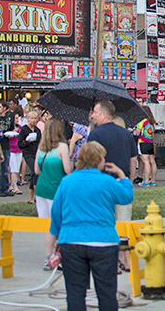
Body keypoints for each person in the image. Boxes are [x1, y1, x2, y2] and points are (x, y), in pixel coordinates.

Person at [50, 141, 134, 311]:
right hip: (103, 241)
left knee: (75, 293)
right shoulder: (107, 181)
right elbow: (126, 197)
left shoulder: (67, 181)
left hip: (72, 241)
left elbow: (56, 212)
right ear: (99, 160)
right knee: (107, 292)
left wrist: (57, 236)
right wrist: (122, 176)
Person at [88, 100, 137, 272]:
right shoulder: (126, 134)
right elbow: (133, 160)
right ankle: (126, 259)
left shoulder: (95, 135)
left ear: (104, 114)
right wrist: (128, 181)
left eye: (94, 112)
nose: (92, 115)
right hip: (121, 182)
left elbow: (90, 162)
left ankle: (114, 261)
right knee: (124, 223)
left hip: (102, 185)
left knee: (107, 223)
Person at [35, 118, 73, 270]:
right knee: (58, 225)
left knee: (47, 226)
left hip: (41, 190)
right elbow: (67, 170)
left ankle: (48, 256)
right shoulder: (62, 147)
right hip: (56, 190)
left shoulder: (41, 148)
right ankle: (58, 256)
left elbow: (37, 170)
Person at [18, 110, 42, 204]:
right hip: (28, 153)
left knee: (35, 174)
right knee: (34, 171)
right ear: (28, 119)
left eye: (35, 118)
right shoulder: (24, 129)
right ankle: (37, 195)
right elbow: (19, 144)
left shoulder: (37, 130)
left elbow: (40, 142)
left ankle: (30, 197)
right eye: (31, 118)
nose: (33, 120)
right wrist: (28, 141)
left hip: (36, 153)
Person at [135, 106, 157, 187]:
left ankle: (146, 181)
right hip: (151, 143)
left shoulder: (142, 122)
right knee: (152, 162)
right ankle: (153, 180)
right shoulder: (152, 122)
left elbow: (137, 133)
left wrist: (137, 128)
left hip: (143, 143)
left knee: (146, 162)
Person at [7, 113, 23, 195]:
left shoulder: (20, 127)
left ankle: (12, 186)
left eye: (18, 118)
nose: (17, 119)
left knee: (17, 168)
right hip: (11, 149)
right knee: (13, 168)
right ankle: (15, 186)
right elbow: (7, 135)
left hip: (19, 149)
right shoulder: (9, 127)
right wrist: (12, 132)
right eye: (16, 118)